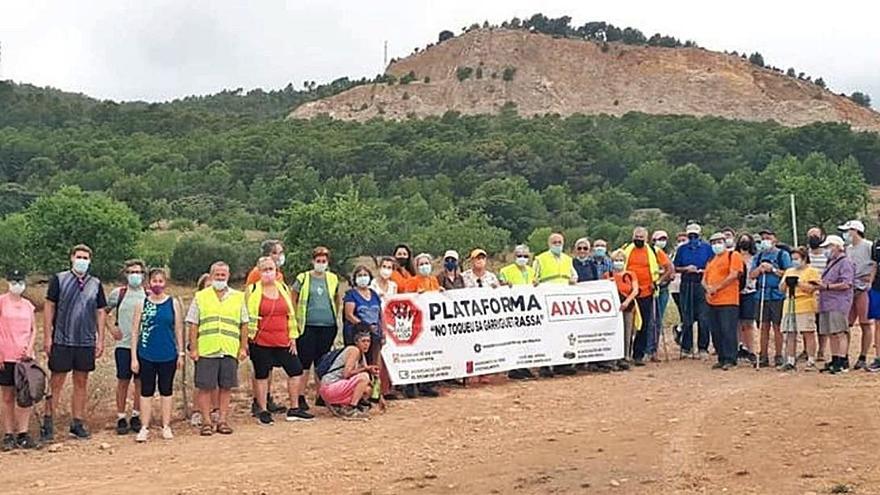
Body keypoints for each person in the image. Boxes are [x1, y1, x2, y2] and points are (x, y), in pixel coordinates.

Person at [42, 244, 107, 442]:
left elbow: (101, 311)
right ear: (71, 258)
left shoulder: (95, 283)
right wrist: (47, 336)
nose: (82, 260)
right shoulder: (59, 279)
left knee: (81, 382)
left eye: (86, 258)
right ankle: (48, 422)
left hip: (85, 341)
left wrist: (100, 338)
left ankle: (77, 422)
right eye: (79, 256)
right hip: (62, 339)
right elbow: (49, 305)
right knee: (56, 382)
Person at [245, 257, 312, 426]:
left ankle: (294, 408)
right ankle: (263, 410)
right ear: (258, 272)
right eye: (264, 269)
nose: (268, 272)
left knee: (295, 370)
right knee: (262, 374)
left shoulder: (283, 288)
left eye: (271, 269)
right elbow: (245, 317)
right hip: (260, 341)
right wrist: (246, 340)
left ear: (276, 271)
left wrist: (293, 338)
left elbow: (290, 315)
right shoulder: (252, 290)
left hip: (283, 339)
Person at [186, 261, 248, 436]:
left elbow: (244, 323)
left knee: (225, 386)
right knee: (205, 387)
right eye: (217, 275)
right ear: (211, 276)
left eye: (223, 275)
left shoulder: (238, 297)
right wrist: (194, 348)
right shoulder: (201, 297)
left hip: (229, 348)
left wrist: (243, 347)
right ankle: (206, 421)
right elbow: (193, 324)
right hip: (207, 348)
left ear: (228, 276)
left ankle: (222, 420)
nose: (220, 278)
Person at [130, 268, 184, 442]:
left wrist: (181, 352)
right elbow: (135, 331)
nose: (157, 284)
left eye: (161, 281)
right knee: (146, 391)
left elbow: (178, 329)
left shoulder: (173, 303)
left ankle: (166, 426)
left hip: (168, 354)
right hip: (146, 354)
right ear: (149, 283)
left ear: (165, 283)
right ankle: (144, 427)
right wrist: (134, 357)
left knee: (166, 390)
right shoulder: (142, 304)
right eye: (154, 281)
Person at [291, 246, 341, 411]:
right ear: (313, 261)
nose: (321, 263)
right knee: (305, 363)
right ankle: (300, 395)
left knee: (322, 362)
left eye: (324, 261)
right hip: (307, 327)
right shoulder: (303, 278)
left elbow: (336, 298)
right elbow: (294, 298)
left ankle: (322, 395)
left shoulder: (333, 278)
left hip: (327, 326)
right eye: (318, 260)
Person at [245, 240, 287, 415]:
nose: (281, 256)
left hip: (275, 331)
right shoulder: (256, 274)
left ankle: (267, 398)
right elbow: (250, 298)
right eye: (278, 252)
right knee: (261, 368)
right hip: (260, 330)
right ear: (269, 254)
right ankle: (258, 401)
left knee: (268, 368)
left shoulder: (278, 275)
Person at [106, 259, 146, 436]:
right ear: (125, 274)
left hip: (143, 345)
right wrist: (111, 328)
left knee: (140, 382)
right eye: (131, 272)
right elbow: (101, 312)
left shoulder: (148, 293)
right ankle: (121, 416)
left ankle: (136, 415)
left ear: (143, 275)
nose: (134, 275)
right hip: (123, 344)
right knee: (123, 381)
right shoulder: (118, 294)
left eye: (138, 272)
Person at [0, 270, 38, 450]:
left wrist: (30, 348)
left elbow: (34, 330)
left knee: (25, 396)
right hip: (5, 356)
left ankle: (23, 433)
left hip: (24, 358)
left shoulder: (28, 305)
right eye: (14, 280)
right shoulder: (1, 302)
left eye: (20, 280)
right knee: (7, 396)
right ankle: (8, 434)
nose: (17, 284)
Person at [626, 227, 673, 365]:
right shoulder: (626, 250)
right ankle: (625, 354)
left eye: (641, 237)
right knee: (628, 325)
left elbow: (669, 268)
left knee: (644, 324)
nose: (639, 239)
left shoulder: (654, 251)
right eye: (637, 237)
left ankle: (638, 355)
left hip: (647, 292)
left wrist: (658, 282)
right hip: (628, 293)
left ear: (646, 239)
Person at [533, 233, 577, 377]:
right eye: (555, 242)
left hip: (564, 303)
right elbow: (534, 278)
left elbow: (574, 276)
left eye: (560, 242)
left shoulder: (568, 259)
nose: (557, 244)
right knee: (547, 333)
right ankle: (545, 365)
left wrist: (573, 280)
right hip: (547, 301)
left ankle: (562, 363)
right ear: (549, 243)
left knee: (563, 333)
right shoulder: (540, 259)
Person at [749, 228, 792, 368]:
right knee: (763, 326)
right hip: (761, 293)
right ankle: (763, 355)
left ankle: (779, 355)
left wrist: (772, 269)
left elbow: (788, 273)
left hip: (777, 295)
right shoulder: (758, 256)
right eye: (763, 238)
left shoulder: (782, 255)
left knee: (778, 326)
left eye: (768, 237)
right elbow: (751, 275)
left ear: (775, 239)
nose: (765, 240)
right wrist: (760, 269)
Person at [400, 253, 440, 397]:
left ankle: (427, 384)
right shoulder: (411, 281)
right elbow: (406, 299)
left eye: (426, 263)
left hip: (431, 323)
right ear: (416, 267)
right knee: (416, 354)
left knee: (430, 354)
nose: (424, 266)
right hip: (416, 323)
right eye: (421, 264)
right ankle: (410, 386)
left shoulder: (434, 280)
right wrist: (417, 295)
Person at [702, 233, 743, 370]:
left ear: (725, 242)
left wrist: (717, 287)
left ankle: (731, 358)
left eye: (719, 242)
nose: (716, 245)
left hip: (729, 300)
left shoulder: (733, 256)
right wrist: (707, 289)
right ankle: (721, 357)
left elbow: (734, 275)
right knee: (716, 331)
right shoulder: (711, 260)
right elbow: (704, 279)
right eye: (713, 242)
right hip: (712, 301)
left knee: (728, 330)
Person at [319, 326, 379, 421]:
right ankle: (351, 408)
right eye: (363, 341)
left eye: (368, 341)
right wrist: (366, 368)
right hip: (330, 386)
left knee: (367, 388)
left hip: (335, 387)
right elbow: (346, 374)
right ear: (356, 342)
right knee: (364, 377)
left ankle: (340, 406)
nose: (366, 344)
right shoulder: (354, 350)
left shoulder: (361, 354)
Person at [673, 223, 714, 360]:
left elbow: (713, 265)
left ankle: (703, 348)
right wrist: (686, 269)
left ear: (699, 235)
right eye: (690, 236)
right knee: (687, 316)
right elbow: (675, 267)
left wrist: (704, 270)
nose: (693, 238)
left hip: (702, 283)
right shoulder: (682, 249)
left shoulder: (707, 249)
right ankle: (686, 347)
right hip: (687, 283)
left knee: (704, 317)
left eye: (695, 236)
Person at [839, 220, 875, 370]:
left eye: (848, 231)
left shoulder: (868, 246)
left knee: (865, 323)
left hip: (864, 288)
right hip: (850, 288)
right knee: (846, 324)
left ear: (856, 230)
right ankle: (844, 355)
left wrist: (870, 279)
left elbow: (874, 264)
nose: (846, 234)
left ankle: (863, 356)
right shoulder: (848, 249)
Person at [817, 235, 855, 374]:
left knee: (840, 332)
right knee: (832, 332)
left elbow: (847, 283)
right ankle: (835, 358)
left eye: (829, 246)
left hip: (838, 302)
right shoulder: (831, 262)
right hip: (827, 301)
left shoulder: (845, 262)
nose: (827, 250)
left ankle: (842, 360)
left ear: (838, 246)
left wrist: (826, 286)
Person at [778, 248, 820, 371]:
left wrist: (798, 283)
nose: (794, 261)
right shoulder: (789, 271)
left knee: (808, 333)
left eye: (797, 259)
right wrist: (786, 282)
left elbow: (812, 288)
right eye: (793, 259)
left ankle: (811, 359)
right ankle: (790, 360)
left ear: (804, 258)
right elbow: (781, 288)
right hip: (790, 303)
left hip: (805, 304)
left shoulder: (812, 271)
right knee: (790, 333)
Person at [499, 245, 537, 380]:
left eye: (526, 256)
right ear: (514, 256)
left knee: (527, 339)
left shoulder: (532, 271)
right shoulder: (505, 271)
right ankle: (513, 369)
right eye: (520, 255)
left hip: (529, 310)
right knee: (514, 340)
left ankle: (524, 366)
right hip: (513, 311)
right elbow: (500, 288)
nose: (523, 258)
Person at [611, 250, 638, 368]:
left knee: (628, 331)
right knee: (615, 332)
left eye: (621, 260)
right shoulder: (608, 275)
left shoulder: (631, 274)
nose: (618, 263)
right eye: (616, 260)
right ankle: (615, 356)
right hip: (614, 308)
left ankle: (626, 355)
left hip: (628, 305)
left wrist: (627, 302)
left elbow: (635, 290)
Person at [649, 230, 674, 362]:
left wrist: (659, 280)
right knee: (648, 320)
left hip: (661, 288)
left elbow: (670, 268)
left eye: (664, 239)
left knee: (657, 319)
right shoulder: (649, 251)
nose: (662, 241)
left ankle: (653, 349)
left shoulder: (660, 253)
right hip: (647, 290)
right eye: (659, 239)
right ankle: (647, 349)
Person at [806, 227, 829, 361]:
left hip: (822, 294)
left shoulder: (826, 255)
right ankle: (807, 350)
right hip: (806, 295)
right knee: (806, 325)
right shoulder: (805, 254)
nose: (813, 237)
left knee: (821, 325)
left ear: (822, 236)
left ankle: (821, 351)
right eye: (810, 235)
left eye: (815, 235)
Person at [735, 233, 758, 364]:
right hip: (736, 292)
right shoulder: (734, 256)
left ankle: (751, 349)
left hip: (750, 291)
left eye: (747, 240)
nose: (744, 243)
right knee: (737, 322)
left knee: (748, 322)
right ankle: (738, 347)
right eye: (742, 240)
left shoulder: (755, 258)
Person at [669, 232, 688, 342]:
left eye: (684, 240)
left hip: (688, 285)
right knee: (684, 312)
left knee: (692, 314)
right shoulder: (674, 254)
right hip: (676, 288)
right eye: (679, 240)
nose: (681, 243)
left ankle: (680, 329)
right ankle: (681, 333)